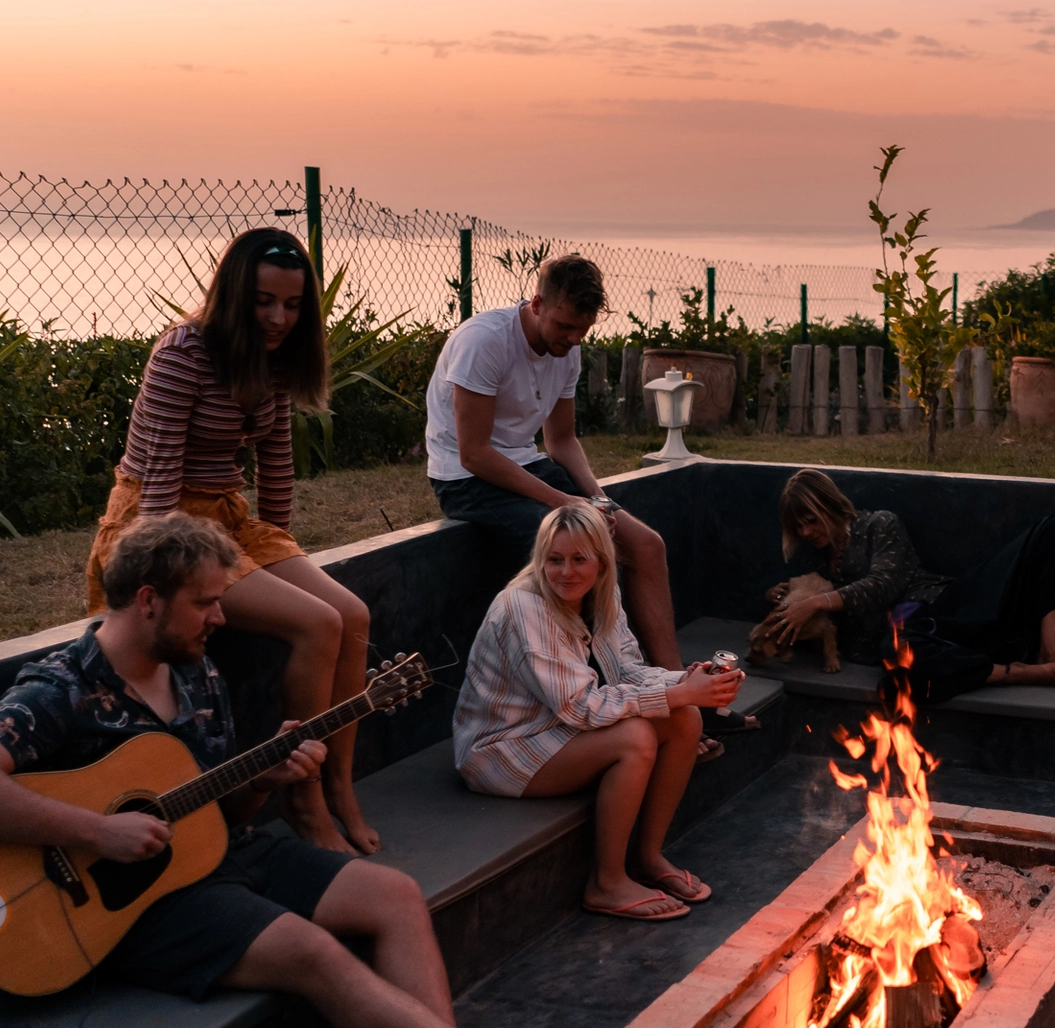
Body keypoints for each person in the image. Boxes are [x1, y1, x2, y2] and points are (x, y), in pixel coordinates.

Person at [0, 515, 453, 1027]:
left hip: (221, 854)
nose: (221, 618)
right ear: (148, 600)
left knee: (397, 897)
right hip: (135, 904)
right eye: (205, 602)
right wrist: (101, 831)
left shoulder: (196, 670)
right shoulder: (61, 688)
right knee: (315, 953)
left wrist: (263, 780)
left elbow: (219, 813)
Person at [84, 227, 378, 855]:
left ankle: (339, 786)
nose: (279, 318)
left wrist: (282, 554)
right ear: (234, 296)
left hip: (230, 519)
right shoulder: (183, 354)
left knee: (351, 616)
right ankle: (302, 800)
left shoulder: (275, 360)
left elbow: (275, 468)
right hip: (161, 523)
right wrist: (162, 581)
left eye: (294, 305)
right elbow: (158, 483)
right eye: (265, 301)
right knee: (317, 624)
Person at [453, 503, 742, 922]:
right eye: (554, 560)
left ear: (601, 564)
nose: (566, 572)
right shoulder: (523, 607)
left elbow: (627, 670)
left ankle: (646, 857)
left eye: (578, 560)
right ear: (540, 560)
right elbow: (578, 707)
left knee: (686, 720)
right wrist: (679, 693)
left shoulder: (602, 595)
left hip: (555, 729)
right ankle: (606, 882)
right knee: (637, 738)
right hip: (502, 749)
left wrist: (688, 682)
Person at [424, 254, 676, 671]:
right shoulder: (484, 342)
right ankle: (607, 692)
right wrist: (565, 503)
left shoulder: (567, 350)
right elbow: (475, 454)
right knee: (578, 551)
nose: (574, 338)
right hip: (466, 479)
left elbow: (560, 441)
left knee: (646, 545)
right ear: (537, 303)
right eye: (565, 326)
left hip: (528, 465)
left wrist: (597, 500)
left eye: (583, 329)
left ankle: (675, 690)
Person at [762, 469, 1055, 701]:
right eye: (798, 527)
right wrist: (786, 596)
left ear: (829, 505)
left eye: (809, 521)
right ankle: (1015, 672)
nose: (805, 532)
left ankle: (1051, 652)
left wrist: (817, 601)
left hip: (950, 607)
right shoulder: (817, 561)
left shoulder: (880, 524)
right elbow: (824, 626)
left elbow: (884, 585)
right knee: (899, 657)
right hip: (924, 643)